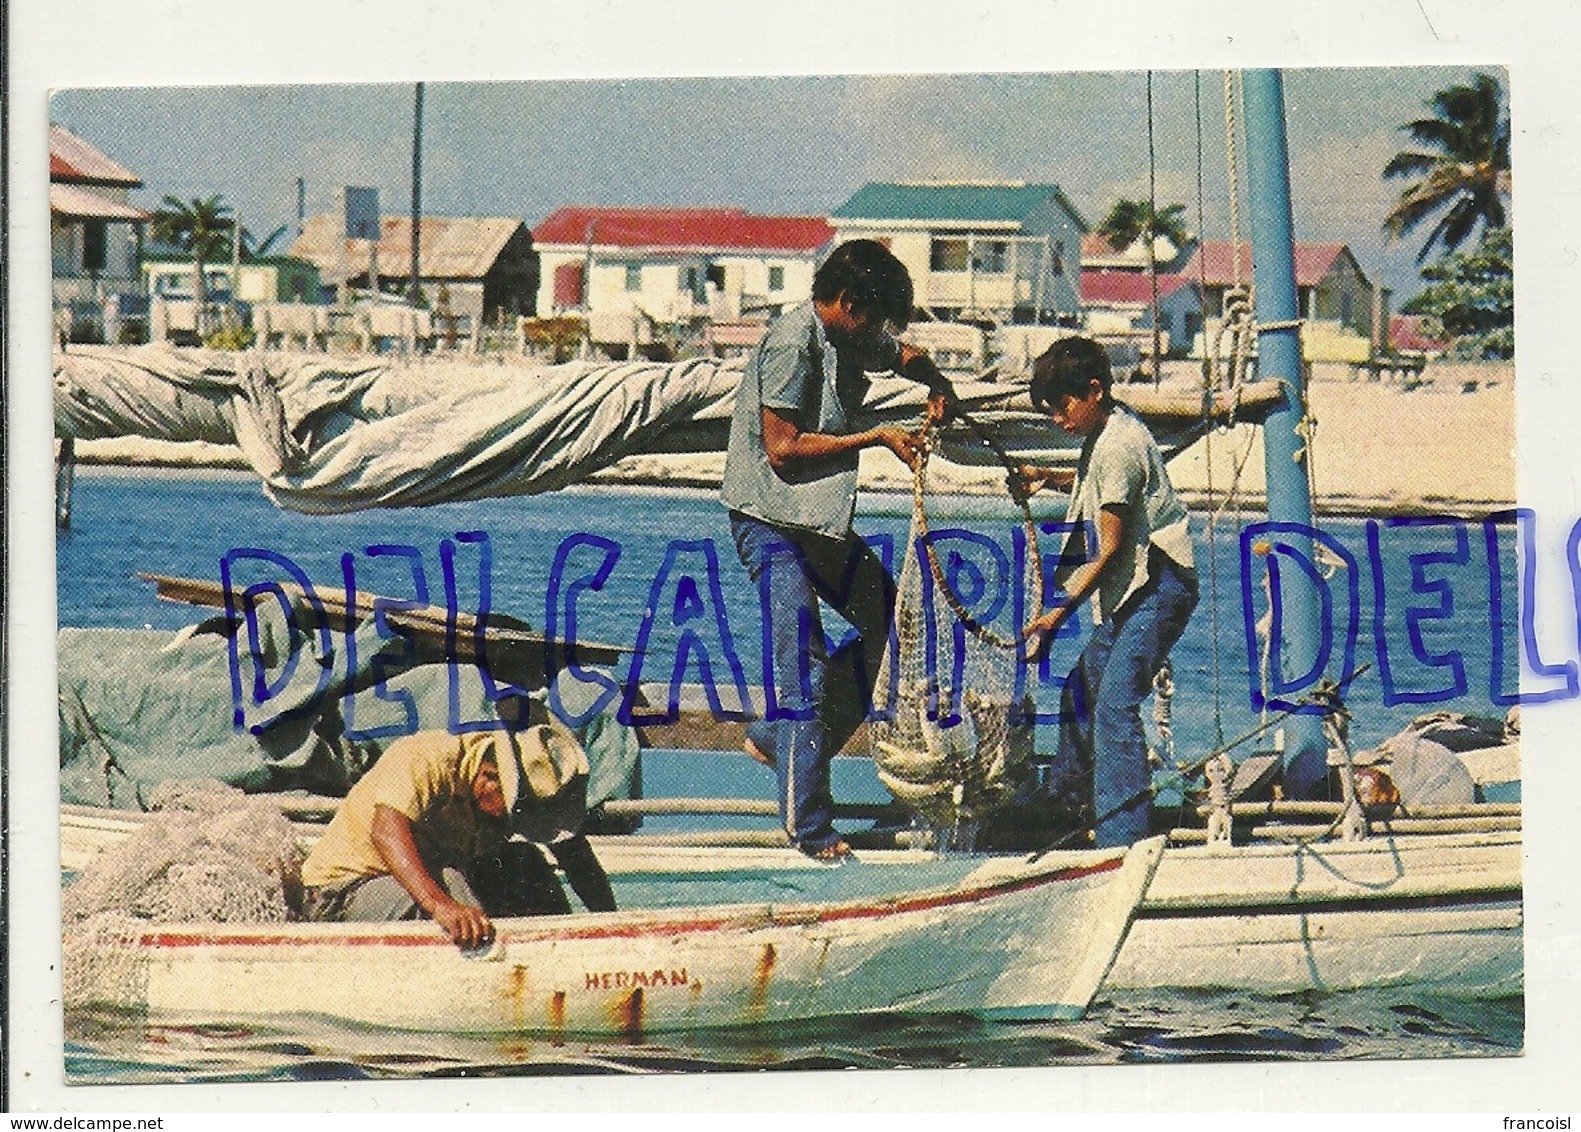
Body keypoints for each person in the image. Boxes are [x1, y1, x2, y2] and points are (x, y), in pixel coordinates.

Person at [720, 239, 954, 860]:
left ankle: (779, 739)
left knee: (898, 628)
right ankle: (810, 829)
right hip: (769, 521)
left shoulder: (848, 336)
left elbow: (901, 354)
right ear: (848, 305)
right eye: (874, 318)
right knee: (804, 665)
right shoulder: (793, 342)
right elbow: (783, 449)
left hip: (817, 523)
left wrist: (937, 381)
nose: (878, 334)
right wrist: (875, 436)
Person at [1015, 337, 1198, 848]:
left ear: (1093, 390)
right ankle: (1065, 802)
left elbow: (1109, 549)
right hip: (1137, 589)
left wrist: (1056, 613)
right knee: (1081, 689)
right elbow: (1098, 492)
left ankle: (1122, 839)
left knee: (1116, 704)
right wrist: (1045, 477)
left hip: (1159, 586)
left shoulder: (1117, 445)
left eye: (1061, 406)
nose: (1056, 419)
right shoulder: (1109, 429)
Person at [299, 716, 613, 948]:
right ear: (488, 778)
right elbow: (386, 830)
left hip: (428, 875)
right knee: (452, 885)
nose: (518, 822)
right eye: (516, 811)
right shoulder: (427, 758)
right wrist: (441, 905)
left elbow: (574, 853)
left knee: (526, 861)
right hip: (342, 893)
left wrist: (609, 927)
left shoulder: (514, 782)